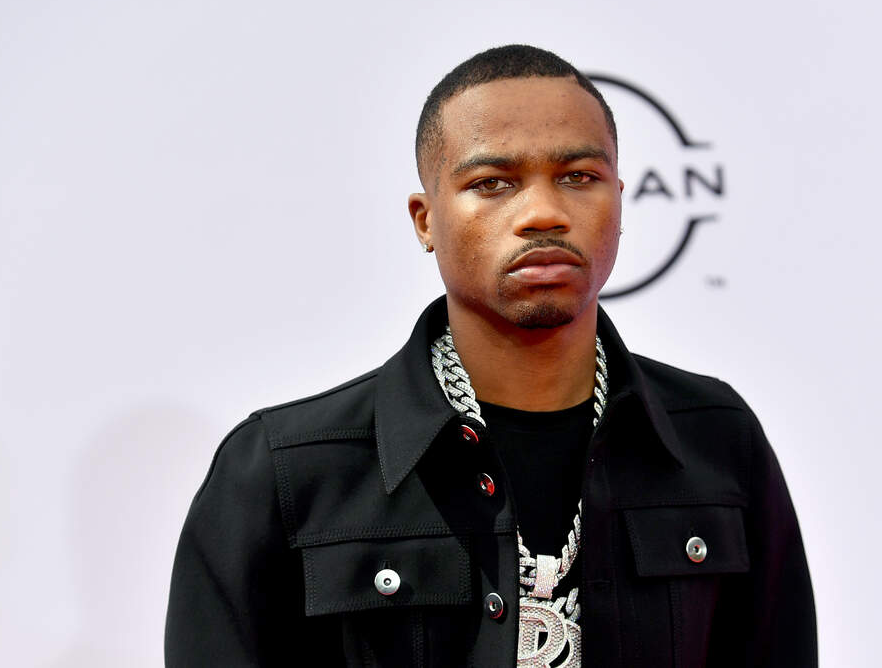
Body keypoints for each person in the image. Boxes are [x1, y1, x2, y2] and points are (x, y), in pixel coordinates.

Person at [165, 44, 816, 667]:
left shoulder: (715, 439)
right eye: (494, 182)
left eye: (578, 177)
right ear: (426, 219)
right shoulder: (285, 470)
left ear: (620, 201)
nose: (543, 213)